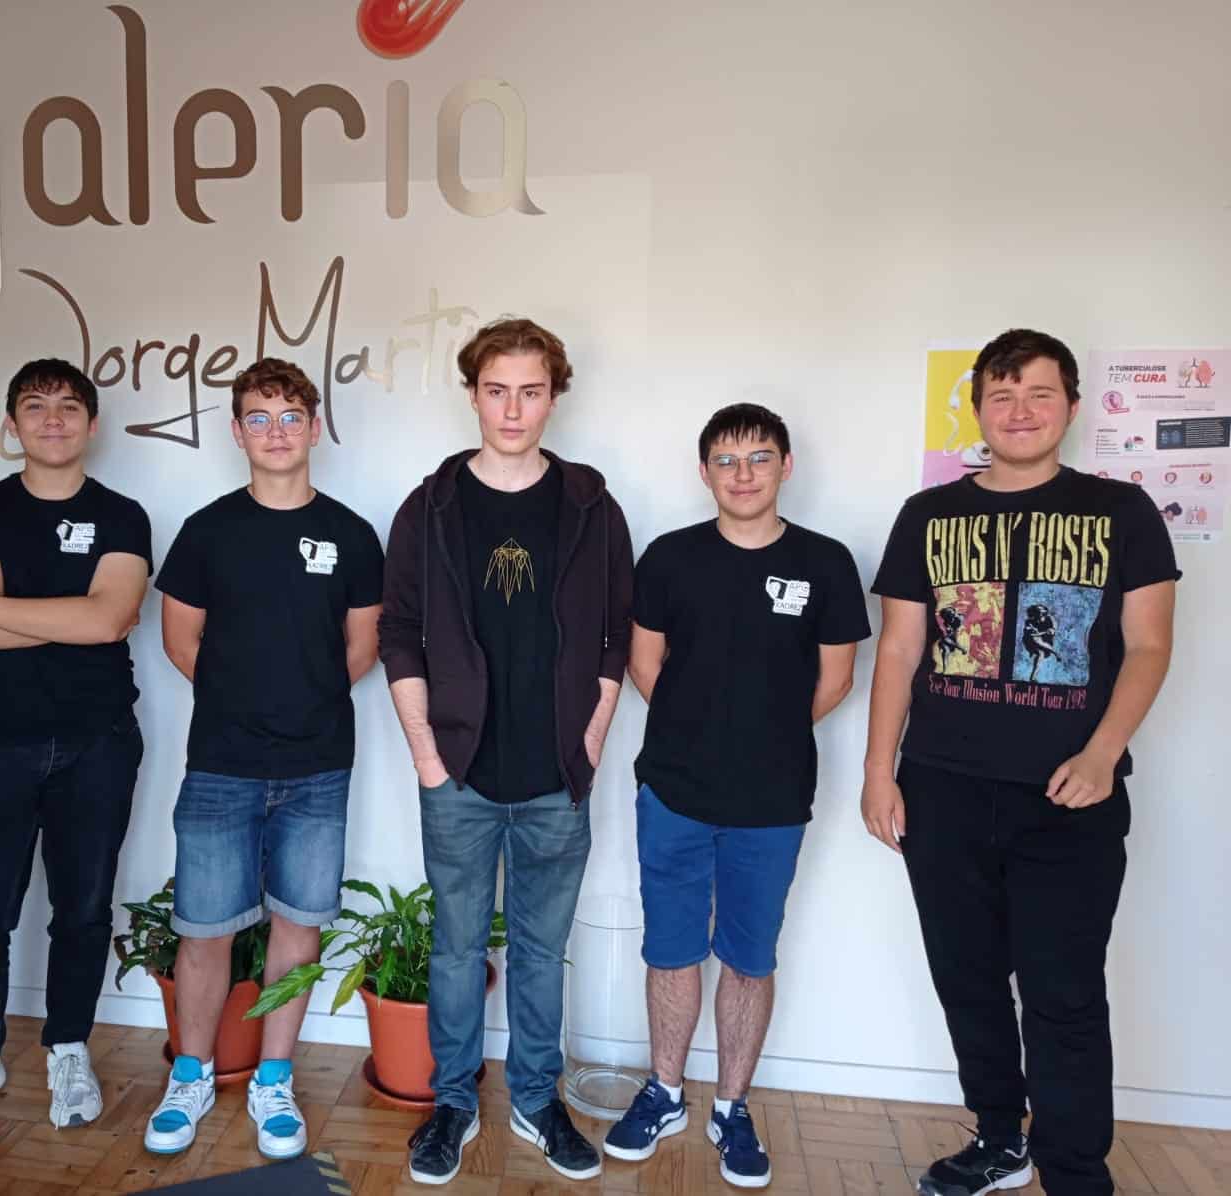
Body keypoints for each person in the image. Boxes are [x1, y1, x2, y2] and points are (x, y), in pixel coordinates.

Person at [864, 330, 1178, 1196]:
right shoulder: (928, 516)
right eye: (1001, 396)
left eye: (1039, 394)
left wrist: (1103, 754)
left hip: (1070, 796)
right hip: (942, 788)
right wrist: (879, 770)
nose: (1020, 412)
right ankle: (1001, 1138)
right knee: (966, 979)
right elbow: (900, 650)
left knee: (1062, 991)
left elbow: (1150, 646)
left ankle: (1074, 1172)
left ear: (1071, 406)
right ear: (977, 411)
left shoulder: (1122, 512)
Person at [379, 317, 634, 1185]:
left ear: (554, 396)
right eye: (497, 391)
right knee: (456, 949)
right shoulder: (430, 507)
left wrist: (588, 742)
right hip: (458, 773)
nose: (513, 409)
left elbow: (615, 637)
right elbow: (400, 633)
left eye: (530, 391)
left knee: (538, 950)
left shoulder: (592, 507)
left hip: (556, 776)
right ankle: (453, 1104)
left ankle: (534, 1101)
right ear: (473, 396)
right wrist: (427, 757)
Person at [605, 403, 869, 1187]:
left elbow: (836, 679)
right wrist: (699, 733)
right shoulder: (670, 557)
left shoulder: (825, 562)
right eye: (726, 460)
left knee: (749, 957)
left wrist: (761, 736)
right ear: (704, 472)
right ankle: (664, 1092)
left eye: (758, 458)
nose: (742, 474)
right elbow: (643, 663)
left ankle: (731, 1106)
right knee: (671, 949)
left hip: (773, 798)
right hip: (674, 790)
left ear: (786, 466)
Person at [144, 358, 383, 1159]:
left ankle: (274, 1079)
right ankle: (190, 1075)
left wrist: (302, 703)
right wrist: (246, 704)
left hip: (319, 766)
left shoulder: (352, 534)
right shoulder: (208, 530)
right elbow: (181, 641)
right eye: (259, 417)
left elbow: (363, 646)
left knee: (299, 928)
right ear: (237, 432)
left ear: (314, 428)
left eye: (289, 417)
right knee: (204, 931)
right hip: (222, 764)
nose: (275, 432)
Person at [0, 359, 153, 1137]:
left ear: (92, 424)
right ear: (11, 425)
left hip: (98, 740)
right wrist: (67, 615)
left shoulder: (122, 516)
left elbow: (108, 620)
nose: (54, 420)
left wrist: (1, 608)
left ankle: (68, 1046)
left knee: (82, 909)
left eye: (69, 406)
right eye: (35, 406)